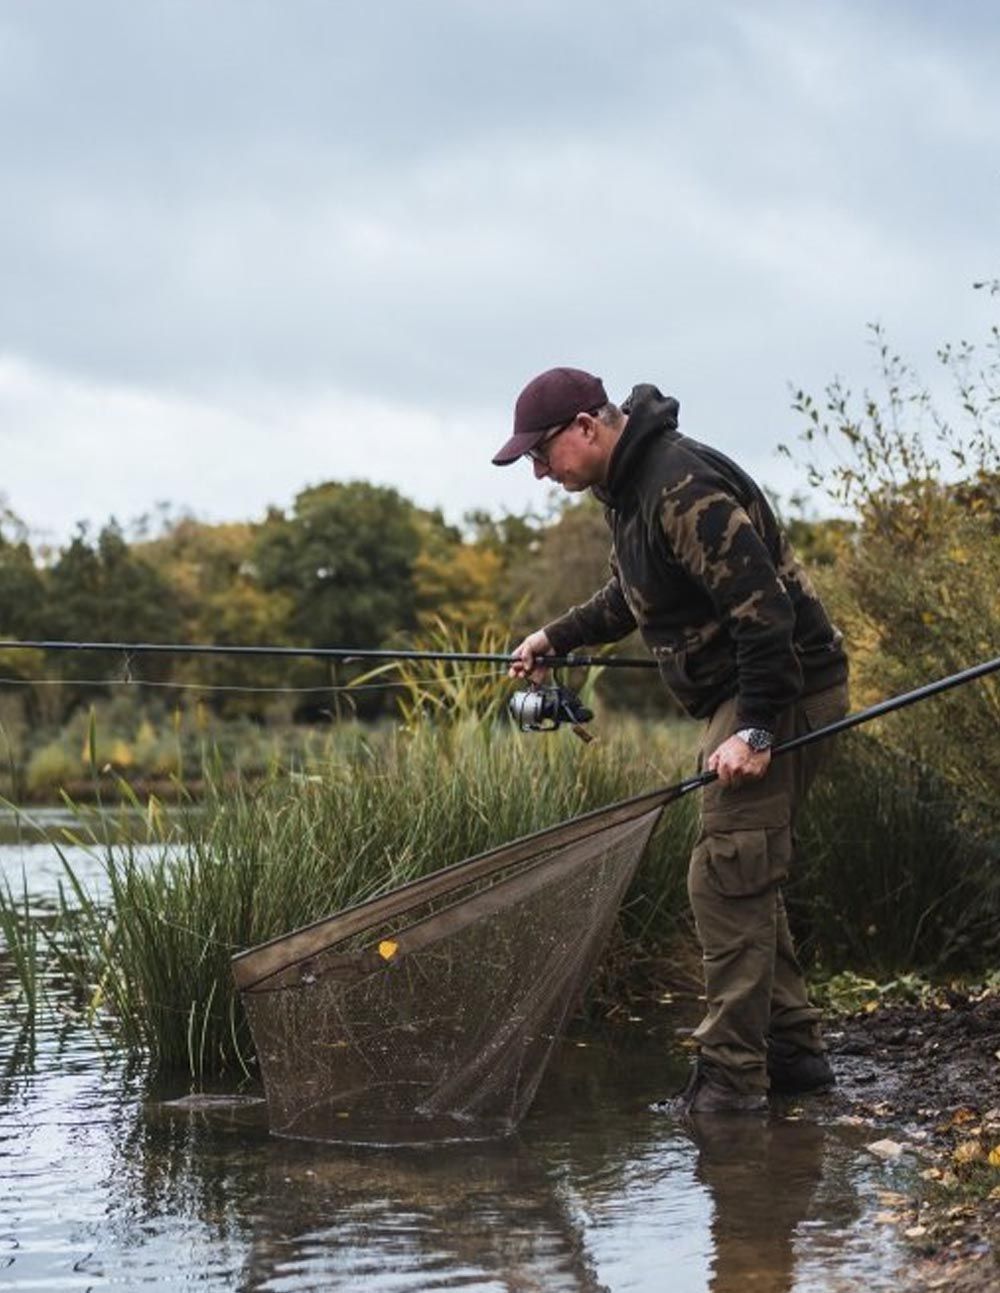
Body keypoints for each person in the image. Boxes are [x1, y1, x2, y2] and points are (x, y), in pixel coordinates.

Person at [492, 367, 849, 1113]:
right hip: (744, 693)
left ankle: (731, 1084)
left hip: (784, 688)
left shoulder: (679, 484)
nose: (540, 471)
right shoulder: (629, 491)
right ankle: (793, 1055)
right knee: (742, 869)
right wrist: (557, 637)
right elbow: (631, 595)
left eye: (542, 453)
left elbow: (766, 614)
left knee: (726, 872)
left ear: (586, 427)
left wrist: (755, 729)